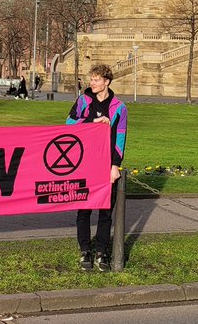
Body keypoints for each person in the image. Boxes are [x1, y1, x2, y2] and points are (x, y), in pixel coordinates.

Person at [65, 64, 127, 272]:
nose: (92, 83)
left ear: (107, 82)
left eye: (96, 79)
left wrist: (115, 165)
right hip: (84, 162)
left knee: (105, 211)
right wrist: (93, 120)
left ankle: (101, 252)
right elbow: (69, 123)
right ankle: (85, 250)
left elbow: (120, 137)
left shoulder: (119, 107)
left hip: (106, 163)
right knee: (83, 209)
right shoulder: (83, 101)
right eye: (91, 79)